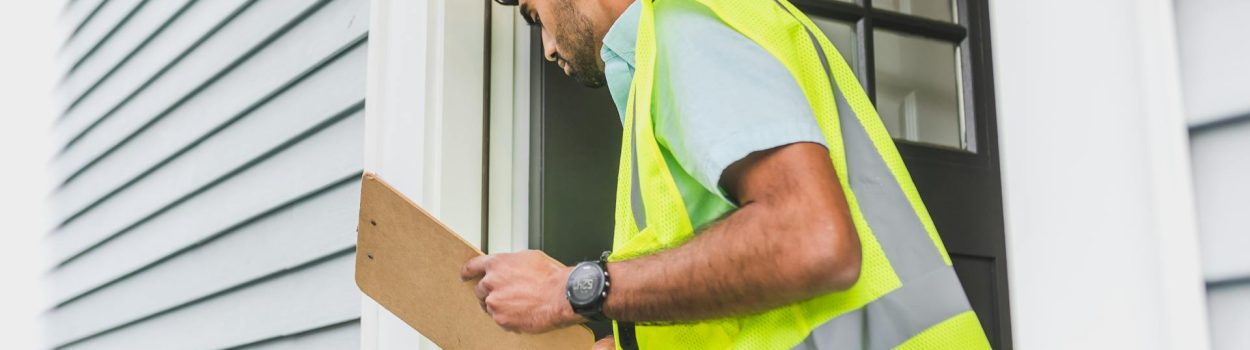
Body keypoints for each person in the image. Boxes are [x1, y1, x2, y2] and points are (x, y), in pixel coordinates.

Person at [461, 0, 991, 348]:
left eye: (535, 16)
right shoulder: (683, 43)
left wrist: (571, 289)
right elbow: (743, 293)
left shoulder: (688, 25)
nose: (549, 47)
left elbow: (810, 240)